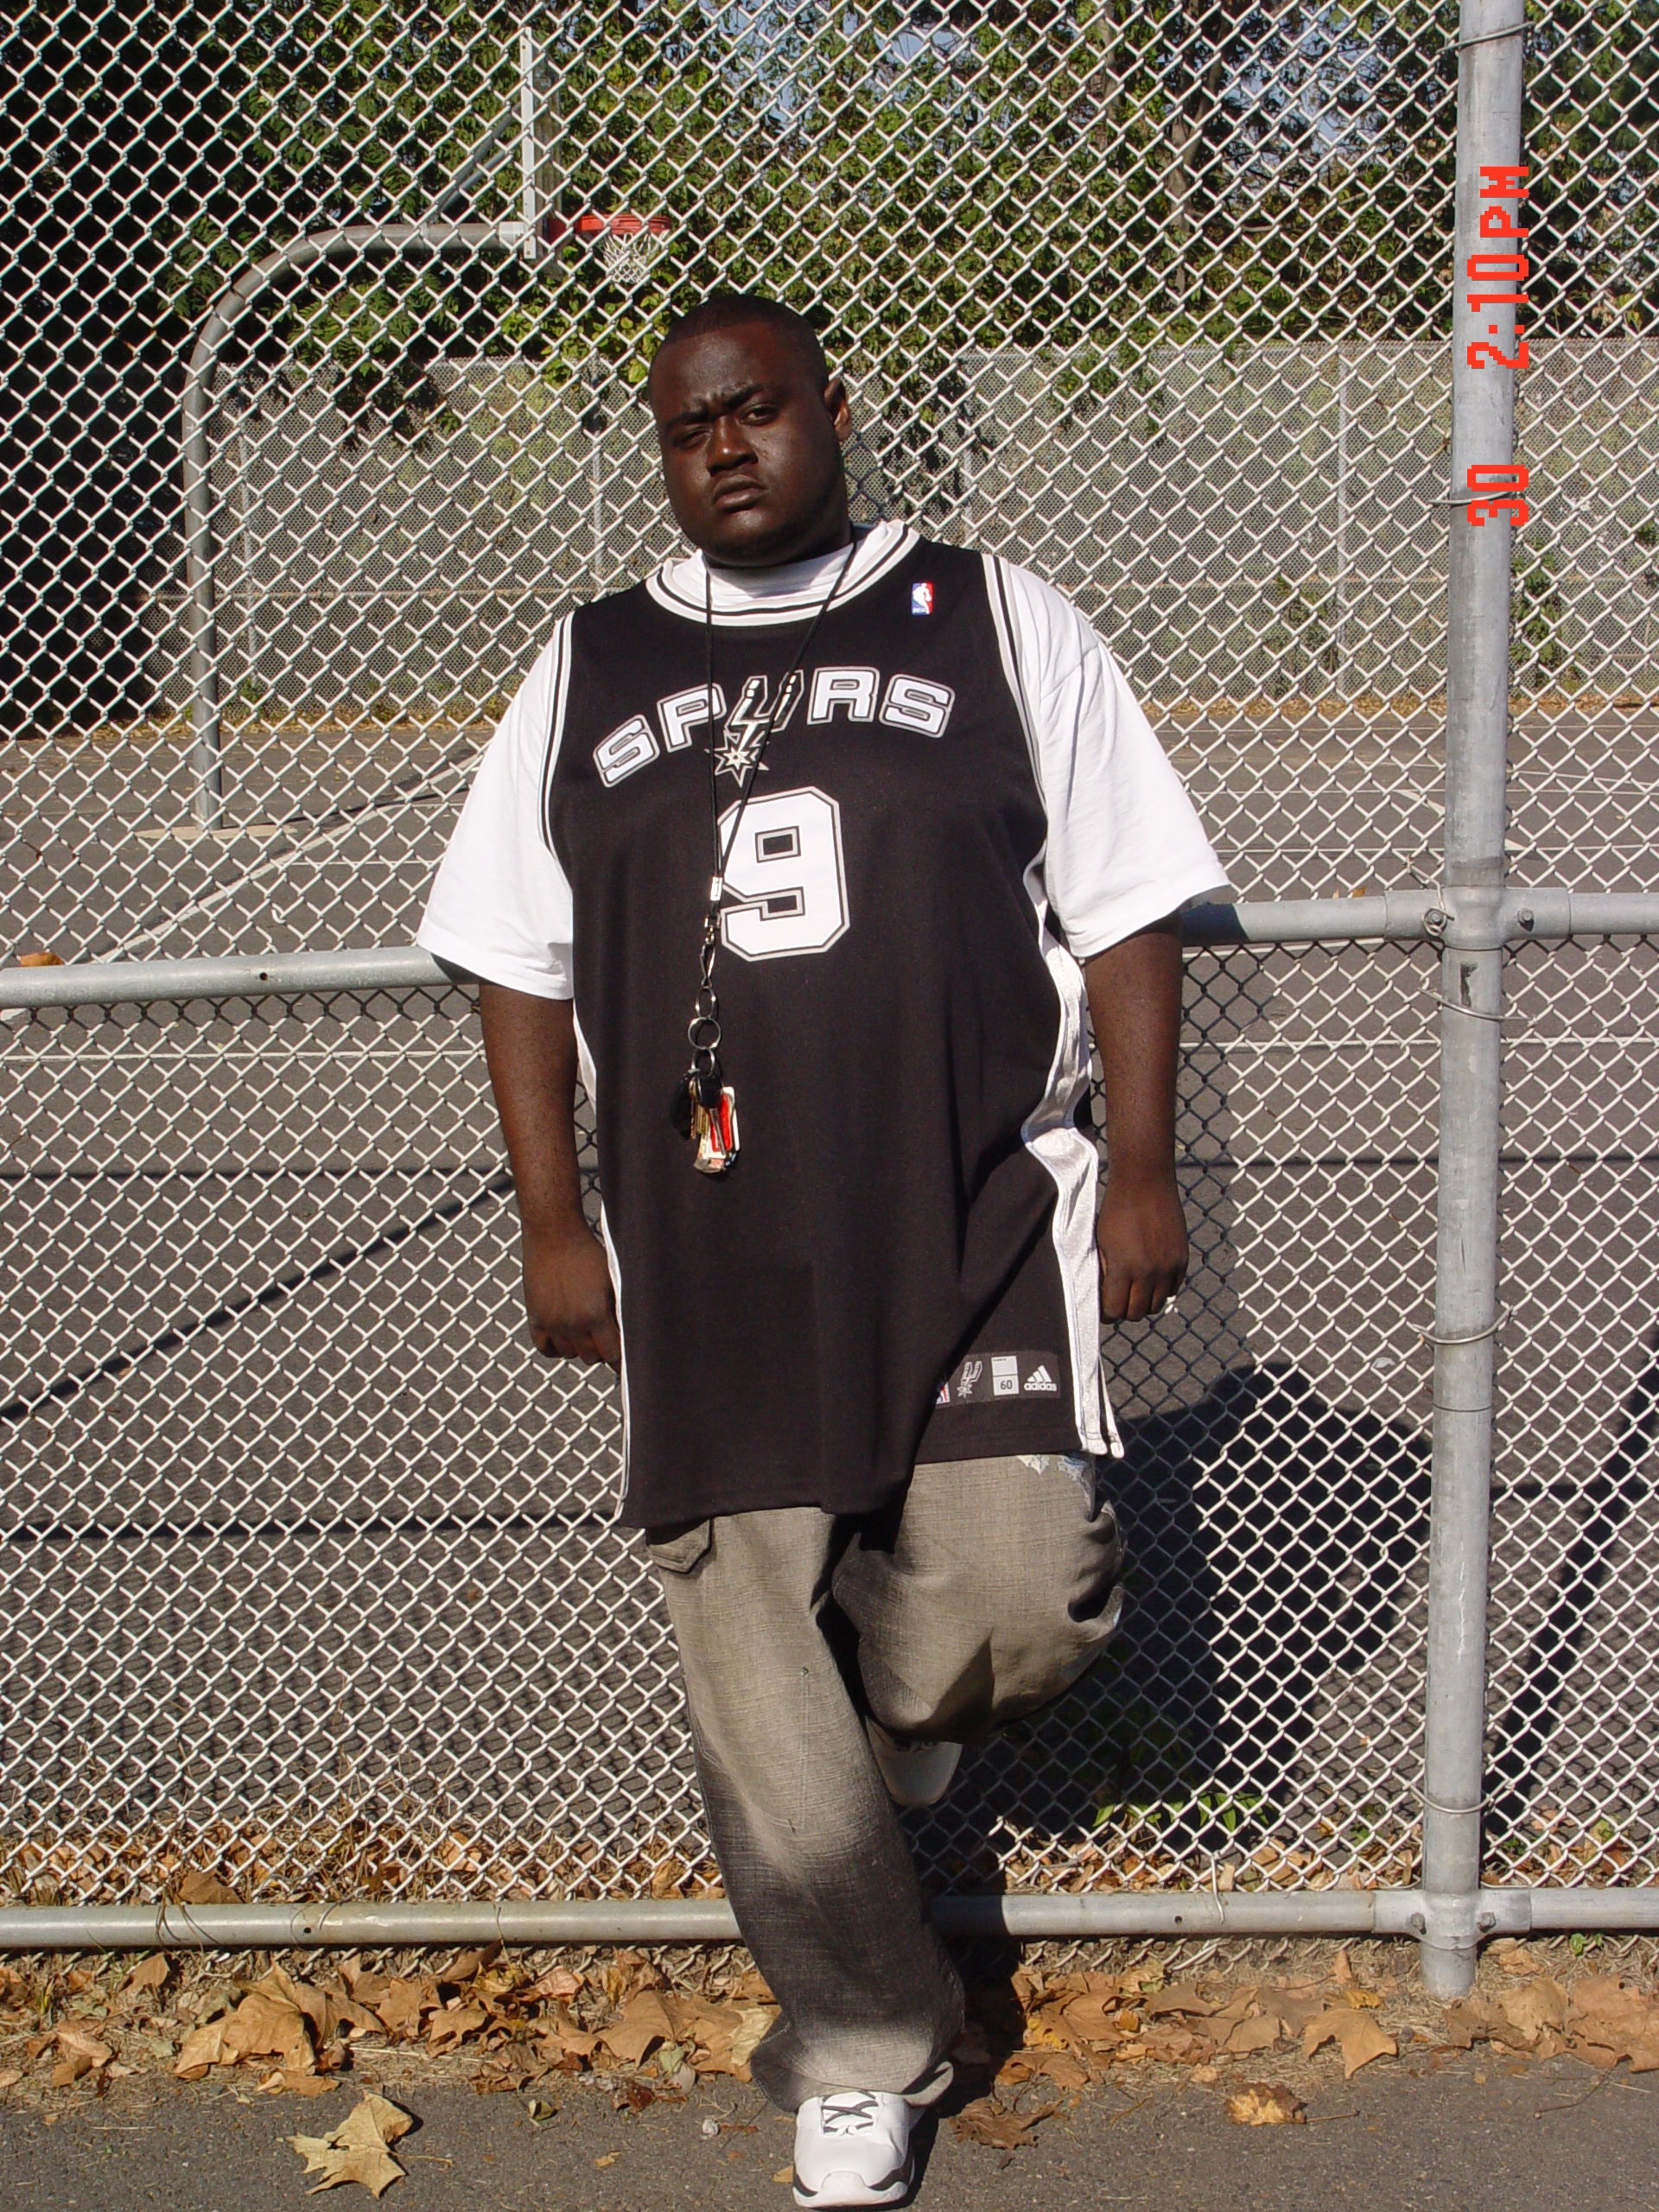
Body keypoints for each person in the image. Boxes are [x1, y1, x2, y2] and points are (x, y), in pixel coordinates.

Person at [418, 292, 1224, 2208]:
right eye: (686, 424)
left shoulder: (996, 617)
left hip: (970, 1205)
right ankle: (863, 2042)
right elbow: (516, 956)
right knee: (753, 1665)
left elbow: (1127, 902)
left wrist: (1143, 1164)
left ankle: (905, 1712)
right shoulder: (589, 662)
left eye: (757, 408)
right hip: (708, 1245)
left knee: (1021, 1599)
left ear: (834, 410)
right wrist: (553, 1221)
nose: (724, 446)